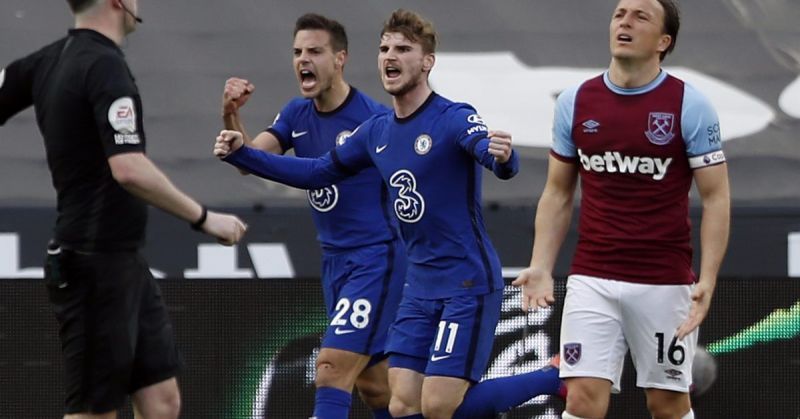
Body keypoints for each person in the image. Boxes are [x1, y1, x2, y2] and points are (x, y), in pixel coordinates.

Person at [215, 9, 566, 419]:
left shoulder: (451, 116)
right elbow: (316, 171)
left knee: (435, 405)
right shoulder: (378, 132)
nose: (389, 56)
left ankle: (550, 377)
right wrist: (242, 153)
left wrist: (503, 159)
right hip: (418, 287)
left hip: (465, 281)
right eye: (384, 48)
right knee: (398, 403)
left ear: (427, 62)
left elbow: (491, 155)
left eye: (402, 48)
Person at [0, 0, 247, 417]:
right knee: (94, 411)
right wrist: (205, 219)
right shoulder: (102, 66)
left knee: (162, 401)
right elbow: (128, 168)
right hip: (92, 263)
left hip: (123, 262)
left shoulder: (50, 60)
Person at [512, 0, 730, 418]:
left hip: (664, 283)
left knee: (666, 404)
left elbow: (717, 196)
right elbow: (558, 192)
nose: (624, 22)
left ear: (663, 41)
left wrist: (708, 277)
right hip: (591, 278)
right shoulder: (575, 101)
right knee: (580, 398)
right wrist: (541, 265)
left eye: (640, 16)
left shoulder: (690, 105)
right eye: (619, 14)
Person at [220, 13, 405, 419]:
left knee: (329, 369)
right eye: (298, 52)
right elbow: (251, 160)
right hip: (335, 262)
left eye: (315, 51)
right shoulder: (296, 114)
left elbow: (320, 171)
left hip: (375, 259)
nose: (304, 59)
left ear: (340, 59)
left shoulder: (371, 119)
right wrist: (232, 116)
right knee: (376, 388)